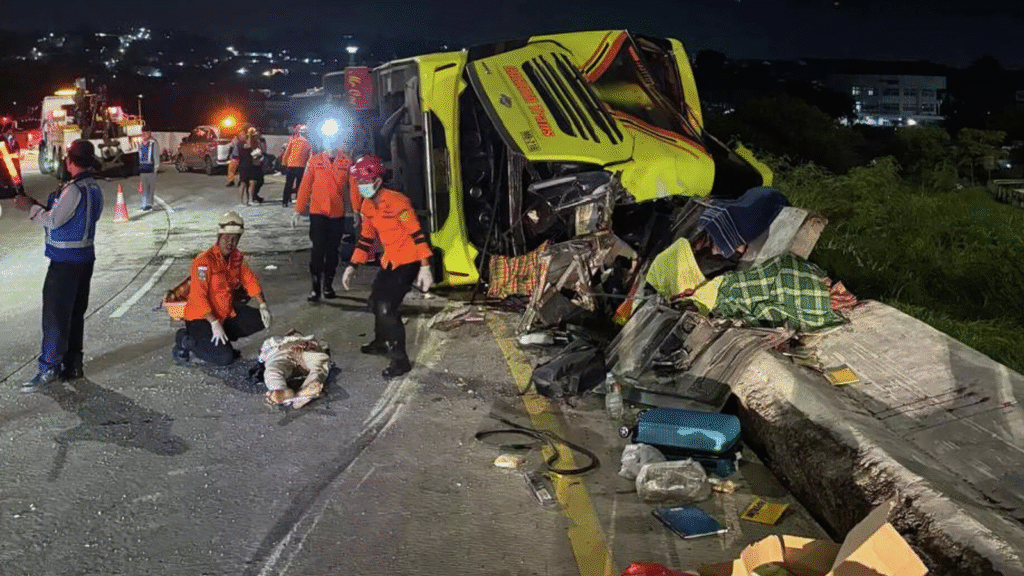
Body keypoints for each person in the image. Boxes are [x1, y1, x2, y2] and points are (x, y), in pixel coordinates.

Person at [14, 140, 104, 393]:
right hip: (85, 259)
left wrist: (30, 208)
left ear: (70, 160)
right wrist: (40, 205)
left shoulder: (74, 189)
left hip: (64, 264)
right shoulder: (93, 187)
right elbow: (74, 219)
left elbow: (54, 222)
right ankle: (73, 364)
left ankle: (49, 368)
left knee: (55, 318)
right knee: (75, 314)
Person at [341, 155, 434, 378]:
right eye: (359, 182)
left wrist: (425, 266)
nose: (361, 187)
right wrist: (353, 265)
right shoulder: (367, 205)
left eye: (365, 182)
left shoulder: (397, 201)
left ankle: (400, 360)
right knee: (375, 301)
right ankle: (381, 341)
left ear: (378, 181)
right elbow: (367, 239)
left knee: (386, 307)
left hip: (409, 261)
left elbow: (417, 233)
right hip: (390, 259)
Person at [171, 211, 273, 366]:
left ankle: (221, 340)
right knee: (224, 358)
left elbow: (250, 279)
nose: (230, 243)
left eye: (234, 239)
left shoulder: (236, 257)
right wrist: (213, 322)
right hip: (201, 318)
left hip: (224, 314)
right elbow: (199, 296)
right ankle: (185, 339)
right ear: (218, 237)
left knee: (260, 319)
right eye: (226, 238)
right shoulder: (204, 262)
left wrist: (263, 304)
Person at [292, 137, 360, 302]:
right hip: (318, 214)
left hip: (337, 215)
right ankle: (315, 287)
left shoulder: (346, 161)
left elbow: (354, 188)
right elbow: (305, 186)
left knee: (332, 252)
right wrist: (298, 210)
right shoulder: (314, 161)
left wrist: (357, 210)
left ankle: (327, 285)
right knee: (317, 251)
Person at [280, 124, 313, 207]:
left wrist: (284, 163)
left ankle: (285, 201)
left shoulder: (293, 141)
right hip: (301, 166)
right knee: (300, 185)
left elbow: (287, 153)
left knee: (288, 184)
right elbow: (310, 156)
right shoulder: (309, 143)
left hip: (290, 165)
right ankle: (298, 200)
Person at [237, 127, 266, 205]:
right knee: (243, 184)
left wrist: (255, 139)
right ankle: (241, 201)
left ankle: (250, 200)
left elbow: (255, 148)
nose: (244, 135)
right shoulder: (240, 143)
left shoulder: (252, 141)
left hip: (252, 165)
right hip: (244, 165)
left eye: (244, 134)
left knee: (252, 182)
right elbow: (248, 146)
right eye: (242, 134)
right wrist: (250, 135)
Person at [137, 127, 160, 211]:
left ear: (150, 133)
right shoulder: (140, 143)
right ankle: (144, 204)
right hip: (143, 169)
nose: (144, 134)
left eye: (146, 133)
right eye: (143, 132)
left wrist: (156, 168)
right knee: (144, 188)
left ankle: (149, 204)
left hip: (151, 169)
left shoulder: (153, 143)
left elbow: (156, 156)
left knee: (150, 188)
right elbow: (139, 155)